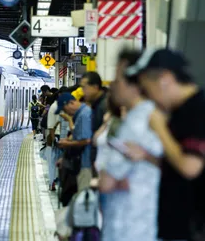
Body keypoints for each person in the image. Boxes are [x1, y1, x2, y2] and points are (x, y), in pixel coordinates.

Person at [124, 48, 205, 241]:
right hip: (175, 226)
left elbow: (190, 167)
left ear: (165, 79)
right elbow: (177, 161)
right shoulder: (177, 111)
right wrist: (147, 156)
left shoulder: (198, 108)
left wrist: (160, 128)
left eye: (147, 89)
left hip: (191, 228)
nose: (149, 97)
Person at [98, 48, 164, 241]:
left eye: (117, 81)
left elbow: (106, 183)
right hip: (149, 225)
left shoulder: (133, 124)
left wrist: (111, 178)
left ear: (135, 84)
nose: (113, 87)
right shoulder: (156, 114)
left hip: (127, 227)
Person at [55, 93, 92, 205]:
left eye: (65, 109)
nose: (66, 113)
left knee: (83, 200)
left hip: (86, 163)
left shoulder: (84, 115)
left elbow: (86, 140)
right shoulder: (81, 114)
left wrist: (67, 144)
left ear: (71, 103)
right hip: (81, 163)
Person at [80, 72, 108, 174]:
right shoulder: (96, 105)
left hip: (103, 165)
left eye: (84, 87)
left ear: (95, 87)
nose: (83, 92)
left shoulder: (104, 106)